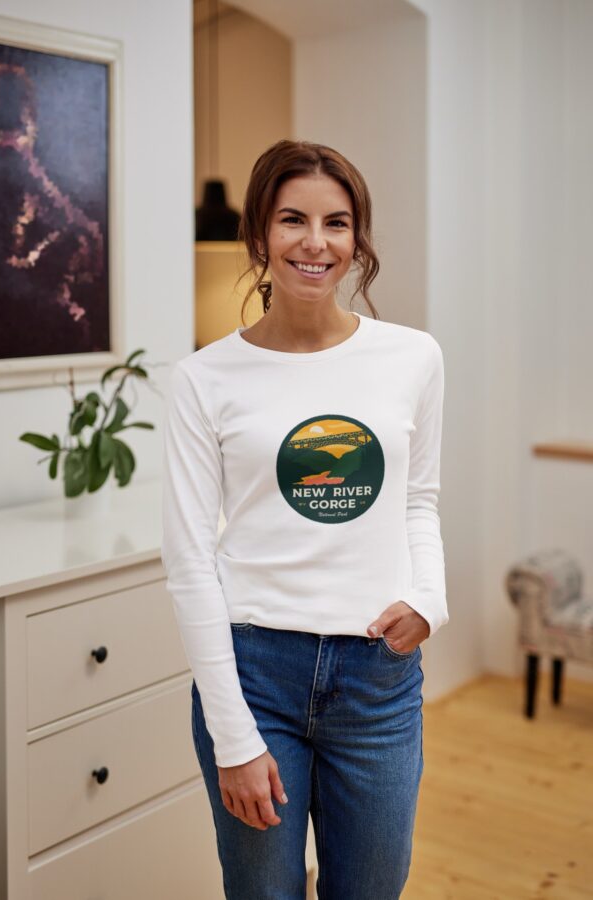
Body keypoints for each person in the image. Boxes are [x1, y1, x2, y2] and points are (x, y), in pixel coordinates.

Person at [161, 139, 448, 900]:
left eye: (337, 223)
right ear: (259, 235)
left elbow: (419, 497)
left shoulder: (413, 358)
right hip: (256, 675)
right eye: (292, 220)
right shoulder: (203, 378)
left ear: (358, 241)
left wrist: (430, 599)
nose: (315, 243)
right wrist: (233, 733)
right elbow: (190, 564)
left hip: (378, 679)